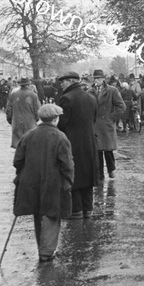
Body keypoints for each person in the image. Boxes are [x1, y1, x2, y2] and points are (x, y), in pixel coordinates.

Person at [12, 104, 74, 262]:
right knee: (52, 215)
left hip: (31, 182)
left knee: (38, 213)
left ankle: (42, 247)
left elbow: (17, 160)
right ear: (55, 119)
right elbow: (67, 164)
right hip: (53, 183)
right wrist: (68, 182)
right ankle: (46, 252)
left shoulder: (28, 135)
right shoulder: (60, 137)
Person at [57, 71, 99, 219]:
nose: (61, 84)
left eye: (62, 82)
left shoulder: (66, 98)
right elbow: (93, 119)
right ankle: (88, 209)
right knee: (88, 177)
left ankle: (76, 211)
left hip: (72, 143)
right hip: (89, 142)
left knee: (74, 176)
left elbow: (62, 123)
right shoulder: (91, 97)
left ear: (69, 81)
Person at [89, 70, 126, 180]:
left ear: (104, 79)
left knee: (108, 150)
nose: (97, 80)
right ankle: (99, 174)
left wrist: (112, 118)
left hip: (106, 123)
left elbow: (121, 106)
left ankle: (111, 169)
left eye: (99, 78)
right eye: (95, 78)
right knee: (97, 151)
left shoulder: (112, 90)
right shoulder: (89, 91)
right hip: (95, 124)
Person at [6, 77, 41, 149]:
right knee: (30, 144)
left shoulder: (13, 95)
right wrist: (36, 119)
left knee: (18, 145)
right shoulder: (33, 95)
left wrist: (10, 120)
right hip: (30, 122)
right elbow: (38, 109)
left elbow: (8, 109)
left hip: (16, 122)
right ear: (28, 85)